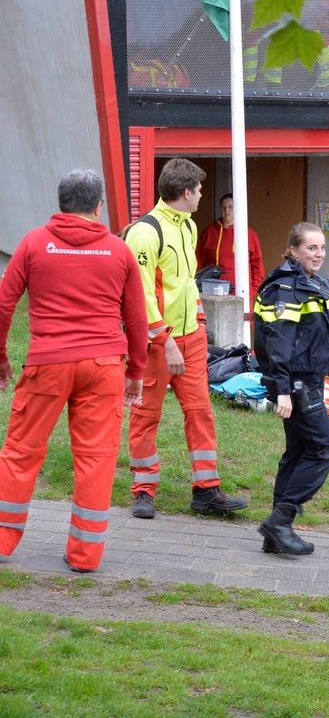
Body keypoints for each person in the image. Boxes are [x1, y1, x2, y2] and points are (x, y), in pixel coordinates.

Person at [0, 170, 148, 573]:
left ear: (61, 203)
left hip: (48, 362)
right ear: (98, 206)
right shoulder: (118, 251)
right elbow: (136, 318)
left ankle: (2, 540)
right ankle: (85, 556)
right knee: (96, 460)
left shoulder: (32, 243)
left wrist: (1, 357)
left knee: (20, 452)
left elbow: (3, 304)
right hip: (103, 367)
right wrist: (136, 368)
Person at [124, 158, 248, 519]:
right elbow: (141, 295)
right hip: (157, 342)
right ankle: (143, 490)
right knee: (146, 413)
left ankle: (206, 490)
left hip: (190, 338)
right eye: (198, 191)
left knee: (200, 411)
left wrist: (197, 321)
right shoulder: (144, 233)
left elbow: (187, 282)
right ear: (184, 192)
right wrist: (166, 340)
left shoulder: (189, 227)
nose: (201, 197)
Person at [253, 223, 329, 554]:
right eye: (311, 248)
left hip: (308, 376)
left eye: (322, 247)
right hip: (295, 381)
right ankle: (280, 520)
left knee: (297, 451)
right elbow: (280, 342)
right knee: (322, 449)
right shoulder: (285, 288)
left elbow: (314, 337)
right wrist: (282, 389)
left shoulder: (312, 284)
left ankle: (276, 533)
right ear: (293, 250)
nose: (319, 254)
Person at [196, 193, 265, 302]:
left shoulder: (249, 234)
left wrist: (251, 293)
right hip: (212, 295)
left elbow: (258, 269)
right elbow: (198, 262)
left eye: (230, 207)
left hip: (241, 295)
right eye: (223, 207)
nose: (226, 210)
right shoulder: (209, 233)